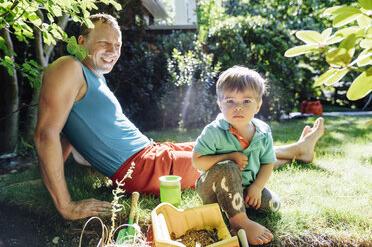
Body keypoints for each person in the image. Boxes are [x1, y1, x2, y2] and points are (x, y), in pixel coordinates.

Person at [34, 13, 324, 221]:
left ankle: (297, 151)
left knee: (217, 144)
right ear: (82, 40)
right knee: (226, 155)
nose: (113, 51)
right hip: (143, 168)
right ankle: (299, 151)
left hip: (152, 153)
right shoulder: (67, 67)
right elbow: (46, 133)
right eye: (104, 43)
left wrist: (45, 177)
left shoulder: (93, 77)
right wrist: (66, 204)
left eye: (117, 45)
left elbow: (67, 131)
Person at [193, 66, 279, 245]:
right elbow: (197, 161)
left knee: (274, 205)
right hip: (213, 189)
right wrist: (228, 156)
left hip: (245, 187)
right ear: (220, 104)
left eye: (246, 101)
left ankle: (239, 204)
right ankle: (240, 223)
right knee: (228, 167)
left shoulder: (263, 131)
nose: (238, 107)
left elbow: (267, 163)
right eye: (230, 101)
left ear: (258, 105)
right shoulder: (214, 131)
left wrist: (256, 187)